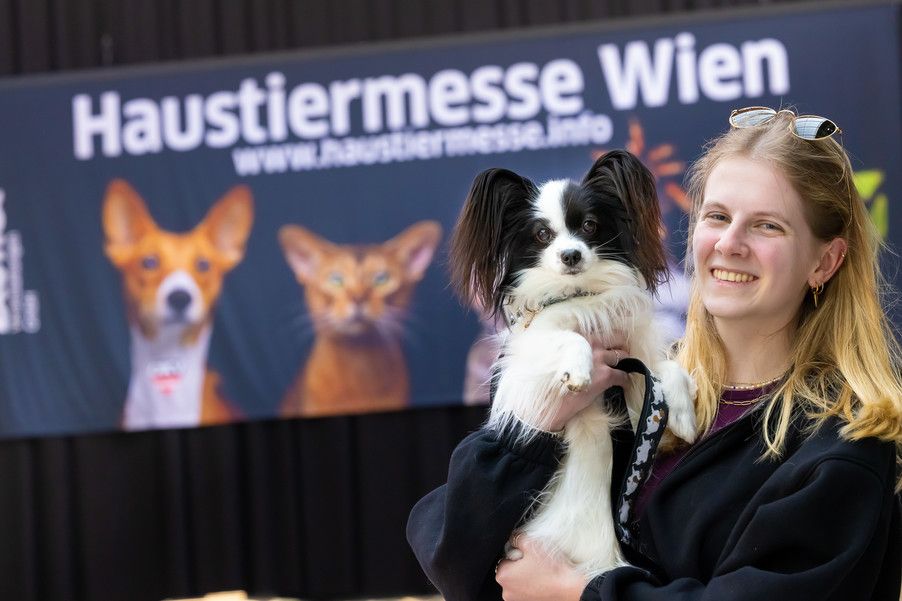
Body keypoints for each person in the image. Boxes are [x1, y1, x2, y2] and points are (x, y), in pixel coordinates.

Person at [406, 107, 902, 601]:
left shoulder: (841, 447)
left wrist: (583, 591)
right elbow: (449, 549)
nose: (730, 243)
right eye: (717, 216)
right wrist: (533, 428)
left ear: (825, 261)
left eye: (768, 226)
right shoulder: (632, 381)